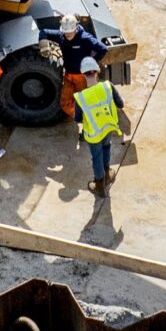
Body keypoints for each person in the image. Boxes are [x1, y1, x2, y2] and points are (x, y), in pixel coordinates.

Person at [41, 13, 106, 117]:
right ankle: (79, 117)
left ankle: (91, 120)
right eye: (66, 33)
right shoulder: (61, 36)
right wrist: (43, 43)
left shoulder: (85, 38)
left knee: (88, 103)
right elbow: (43, 32)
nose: (67, 35)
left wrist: (92, 62)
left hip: (84, 77)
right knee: (65, 103)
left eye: (70, 32)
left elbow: (103, 48)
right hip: (69, 76)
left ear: (76, 28)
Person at [76, 61, 126, 195]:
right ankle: (108, 173)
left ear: (83, 75)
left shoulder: (81, 97)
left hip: (93, 134)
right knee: (106, 147)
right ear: (97, 71)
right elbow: (120, 104)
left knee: (96, 156)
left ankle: (99, 185)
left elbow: (78, 119)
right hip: (107, 127)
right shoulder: (108, 86)